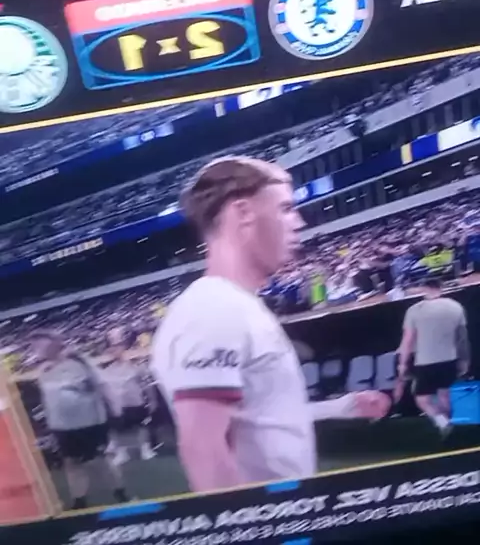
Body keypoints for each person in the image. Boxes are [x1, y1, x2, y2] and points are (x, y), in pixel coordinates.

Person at [151, 156, 390, 493]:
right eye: (286, 208)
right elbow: (203, 449)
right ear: (243, 212)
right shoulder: (212, 310)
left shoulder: (238, 305)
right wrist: (252, 522)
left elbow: (260, 418)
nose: (299, 221)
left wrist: (340, 407)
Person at [31, 330, 128, 510]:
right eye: (34, 345)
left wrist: (116, 409)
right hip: (62, 427)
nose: (36, 348)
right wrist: (51, 424)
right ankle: (79, 501)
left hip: (89, 423)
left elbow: (102, 385)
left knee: (98, 460)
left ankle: (120, 494)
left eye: (40, 343)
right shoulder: (44, 370)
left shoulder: (79, 361)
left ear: (54, 343)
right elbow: (49, 400)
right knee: (71, 462)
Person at [397, 277, 470, 436]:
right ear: (441, 288)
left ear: (424, 289)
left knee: (422, 399)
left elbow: (408, 340)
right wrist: (464, 360)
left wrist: (402, 363)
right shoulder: (456, 306)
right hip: (449, 359)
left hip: (426, 362)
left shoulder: (414, 310)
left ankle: (444, 424)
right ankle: (451, 427)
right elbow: (462, 338)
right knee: (444, 394)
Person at [103, 328, 156, 465]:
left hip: (135, 401)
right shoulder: (107, 370)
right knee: (117, 429)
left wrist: (152, 400)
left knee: (141, 426)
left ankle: (145, 449)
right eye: (113, 347)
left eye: (118, 346)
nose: (115, 350)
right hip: (117, 405)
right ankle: (122, 453)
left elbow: (147, 385)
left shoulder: (136, 365)